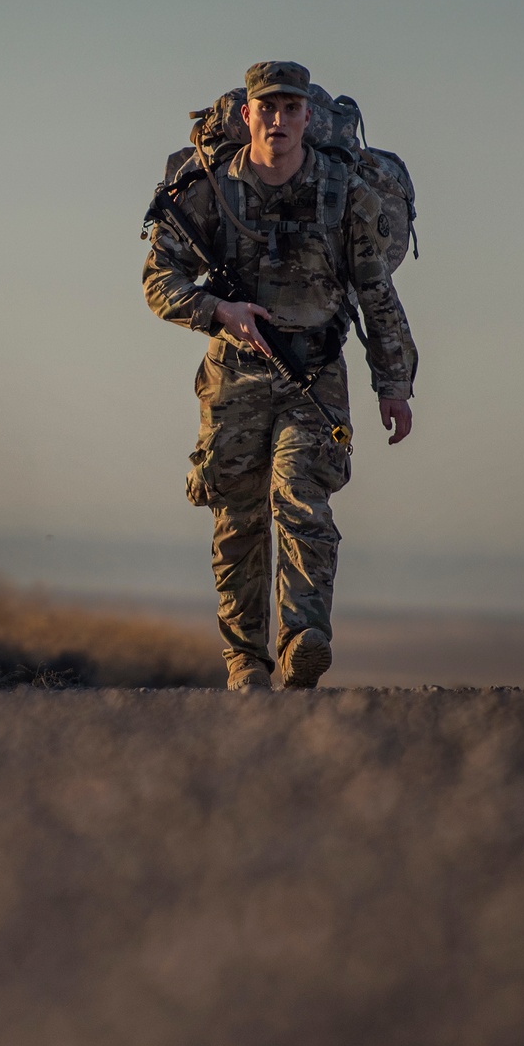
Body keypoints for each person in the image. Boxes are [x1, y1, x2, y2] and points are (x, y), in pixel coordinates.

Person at [143, 60, 417, 690]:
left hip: (314, 374)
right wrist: (219, 311)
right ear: (249, 116)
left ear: (306, 118)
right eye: (268, 108)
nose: (279, 119)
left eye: (291, 108)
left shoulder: (344, 193)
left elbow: (377, 294)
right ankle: (244, 658)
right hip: (234, 375)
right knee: (237, 518)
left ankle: (303, 640)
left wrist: (394, 385)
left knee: (301, 496)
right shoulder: (212, 190)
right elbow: (160, 280)